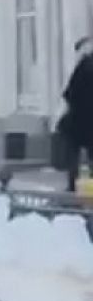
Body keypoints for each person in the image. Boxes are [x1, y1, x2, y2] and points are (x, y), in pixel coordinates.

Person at [60, 37, 93, 192]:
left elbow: (69, 93)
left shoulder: (83, 67)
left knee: (72, 154)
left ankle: (72, 186)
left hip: (78, 121)